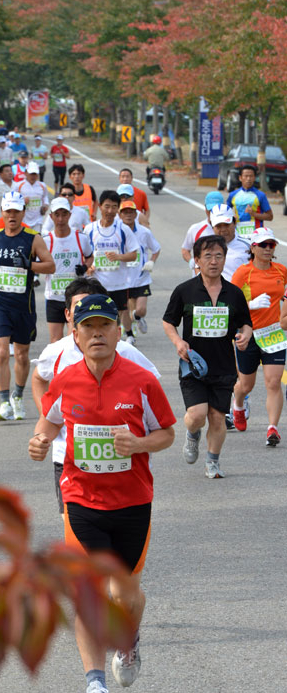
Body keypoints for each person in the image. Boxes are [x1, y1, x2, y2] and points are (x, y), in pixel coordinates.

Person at [29, 293, 175, 693]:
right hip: (80, 499)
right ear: (75, 334)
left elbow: (166, 432)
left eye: (105, 326)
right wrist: (39, 440)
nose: (96, 333)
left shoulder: (141, 380)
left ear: (118, 331)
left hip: (132, 502)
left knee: (126, 592)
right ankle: (96, 687)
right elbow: (51, 420)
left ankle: (127, 640)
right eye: (88, 327)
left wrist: (140, 443)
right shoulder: (66, 378)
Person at [32, 278, 162, 520]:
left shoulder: (127, 353)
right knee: (75, 526)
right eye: (80, 308)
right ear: (69, 315)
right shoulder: (56, 351)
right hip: (68, 456)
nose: (88, 313)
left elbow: (150, 389)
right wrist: (49, 418)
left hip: (126, 467)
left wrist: (137, 436)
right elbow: (39, 379)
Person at [162, 235, 252, 478]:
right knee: (197, 416)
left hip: (224, 366)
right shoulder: (185, 291)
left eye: (219, 256)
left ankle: (212, 462)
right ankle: (192, 434)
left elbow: (245, 323)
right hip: (193, 365)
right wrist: (178, 341)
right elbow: (169, 322)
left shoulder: (234, 293)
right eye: (208, 256)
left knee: (217, 416)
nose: (214, 261)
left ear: (225, 259)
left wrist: (244, 336)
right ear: (197, 260)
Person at [0, 191, 55, 421]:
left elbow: (50, 266)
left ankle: (18, 395)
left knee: (23, 355)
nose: (12, 215)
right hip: (0, 303)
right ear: (3, 212)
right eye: (8, 211)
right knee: (2, 351)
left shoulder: (33, 238)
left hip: (23, 304)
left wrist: (30, 265)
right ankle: (4, 401)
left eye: (17, 211)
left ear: (23, 213)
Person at [231, 228, 287, 446]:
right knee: (246, 385)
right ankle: (238, 405)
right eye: (263, 245)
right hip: (248, 333)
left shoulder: (281, 271)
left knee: (273, 383)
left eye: (271, 245)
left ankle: (272, 428)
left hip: (274, 334)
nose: (267, 249)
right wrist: (250, 305)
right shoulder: (243, 273)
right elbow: (230, 304)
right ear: (252, 248)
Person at [84, 191, 139, 334]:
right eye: (107, 206)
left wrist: (118, 257)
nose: (110, 211)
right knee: (97, 311)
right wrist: (88, 266)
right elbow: (83, 254)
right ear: (100, 206)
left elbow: (134, 255)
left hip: (118, 281)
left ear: (118, 209)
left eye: (114, 207)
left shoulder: (123, 229)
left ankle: (129, 334)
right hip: (96, 282)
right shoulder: (90, 229)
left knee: (122, 310)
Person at [43, 197, 93, 342]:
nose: (60, 219)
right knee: (55, 341)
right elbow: (39, 265)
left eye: (64, 214)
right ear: (51, 216)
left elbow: (90, 257)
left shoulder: (80, 238)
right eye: (57, 215)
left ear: (70, 215)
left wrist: (84, 267)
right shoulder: (46, 240)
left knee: (74, 338)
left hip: (75, 297)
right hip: (54, 296)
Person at [119, 200, 160, 341]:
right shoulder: (116, 232)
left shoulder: (144, 232)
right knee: (124, 310)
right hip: (123, 278)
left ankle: (138, 317)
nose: (128, 215)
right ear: (120, 215)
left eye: (131, 212)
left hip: (141, 276)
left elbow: (156, 248)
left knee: (140, 309)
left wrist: (151, 261)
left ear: (136, 214)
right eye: (125, 212)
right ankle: (130, 335)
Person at [226, 164, 273, 239]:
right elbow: (225, 213)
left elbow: (270, 217)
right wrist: (231, 217)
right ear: (240, 178)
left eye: (251, 176)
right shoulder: (233, 195)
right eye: (246, 176)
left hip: (256, 235)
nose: (248, 179)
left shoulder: (260, 195)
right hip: (237, 234)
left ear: (254, 178)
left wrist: (253, 214)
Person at [181, 191, 223, 271]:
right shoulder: (196, 229)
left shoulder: (230, 230)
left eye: (216, 209)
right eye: (210, 209)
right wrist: (191, 261)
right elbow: (185, 249)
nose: (212, 213)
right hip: (199, 279)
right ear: (205, 208)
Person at [209, 204, 249, 280]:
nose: (223, 229)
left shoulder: (248, 245)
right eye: (219, 226)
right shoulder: (206, 248)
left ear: (234, 223)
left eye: (226, 225)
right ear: (212, 227)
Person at [16, 161, 49, 233]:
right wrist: (22, 201)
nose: (33, 176)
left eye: (35, 174)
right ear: (25, 173)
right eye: (31, 174)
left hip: (38, 220)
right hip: (23, 220)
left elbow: (45, 197)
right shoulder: (18, 185)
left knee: (36, 240)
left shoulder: (42, 185)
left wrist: (45, 205)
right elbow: (12, 200)